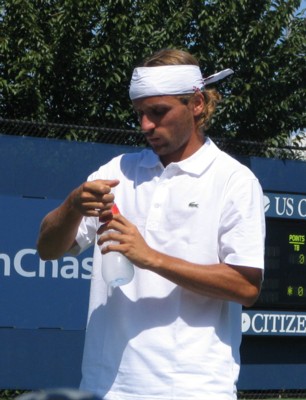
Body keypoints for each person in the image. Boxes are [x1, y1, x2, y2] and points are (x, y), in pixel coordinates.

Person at [37, 48, 265, 400]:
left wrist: (151, 257)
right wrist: (71, 205)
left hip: (193, 390)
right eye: (140, 114)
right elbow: (48, 250)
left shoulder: (234, 180)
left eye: (158, 112)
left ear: (197, 104)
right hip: (103, 388)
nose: (146, 125)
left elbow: (247, 287)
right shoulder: (116, 172)